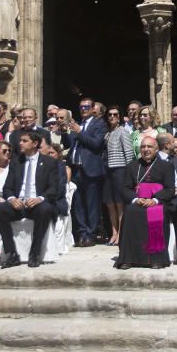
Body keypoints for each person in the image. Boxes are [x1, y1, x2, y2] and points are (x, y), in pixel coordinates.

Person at [0, 131, 63, 268]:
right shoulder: (16, 162)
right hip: (19, 204)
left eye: (24, 141)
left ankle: (35, 253)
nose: (20, 143)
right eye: (20, 140)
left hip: (37, 205)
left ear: (35, 144)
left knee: (45, 209)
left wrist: (39, 198)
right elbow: (7, 188)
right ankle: (12, 253)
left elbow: (54, 188)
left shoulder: (49, 162)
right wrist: (13, 199)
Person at [116, 135, 176, 269]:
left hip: (157, 202)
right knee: (130, 211)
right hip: (138, 201)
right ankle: (128, 258)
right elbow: (124, 188)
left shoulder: (166, 166)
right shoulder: (132, 165)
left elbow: (170, 189)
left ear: (156, 149)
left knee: (156, 212)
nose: (146, 149)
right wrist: (136, 199)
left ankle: (156, 259)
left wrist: (155, 200)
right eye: (143, 147)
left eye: (149, 146)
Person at [64, 98, 107, 247]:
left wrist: (80, 132)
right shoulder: (79, 124)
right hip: (76, 169)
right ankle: (82, 233)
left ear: (93, 108)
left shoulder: (99, 124)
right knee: (78, 204)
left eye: (86, 107)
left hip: (91, 170)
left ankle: (91, 234)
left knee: (92, 204)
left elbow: (96, 144)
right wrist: (66, 133)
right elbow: (71, 145)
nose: (83, 109)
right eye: (81, 107)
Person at [104, 106, 132, 246]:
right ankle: (113, 232)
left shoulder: (123, 131)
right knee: (110, 204)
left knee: (120, 204)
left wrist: (129, 174)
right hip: (108, 171)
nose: (112, 117)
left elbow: (128, 152)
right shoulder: (108, 133)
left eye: (115, 114)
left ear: (119, 117)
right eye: (110, 114)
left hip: (120, 170)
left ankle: (121, 233)